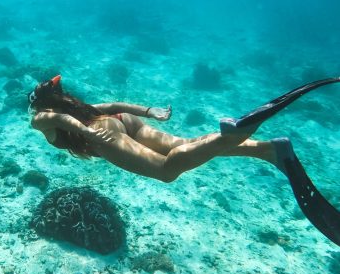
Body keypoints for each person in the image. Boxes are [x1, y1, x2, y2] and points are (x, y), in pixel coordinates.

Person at [29, 75, 340, 246]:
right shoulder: (77, 105)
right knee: (185, 145)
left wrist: (86, 131)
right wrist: (149, 112)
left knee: (167, 170)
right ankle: (269, 149)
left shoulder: (42, 118)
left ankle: (229, 135)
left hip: (101, 134)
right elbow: (111, 104)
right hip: (118, 120)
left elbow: (59, 120)